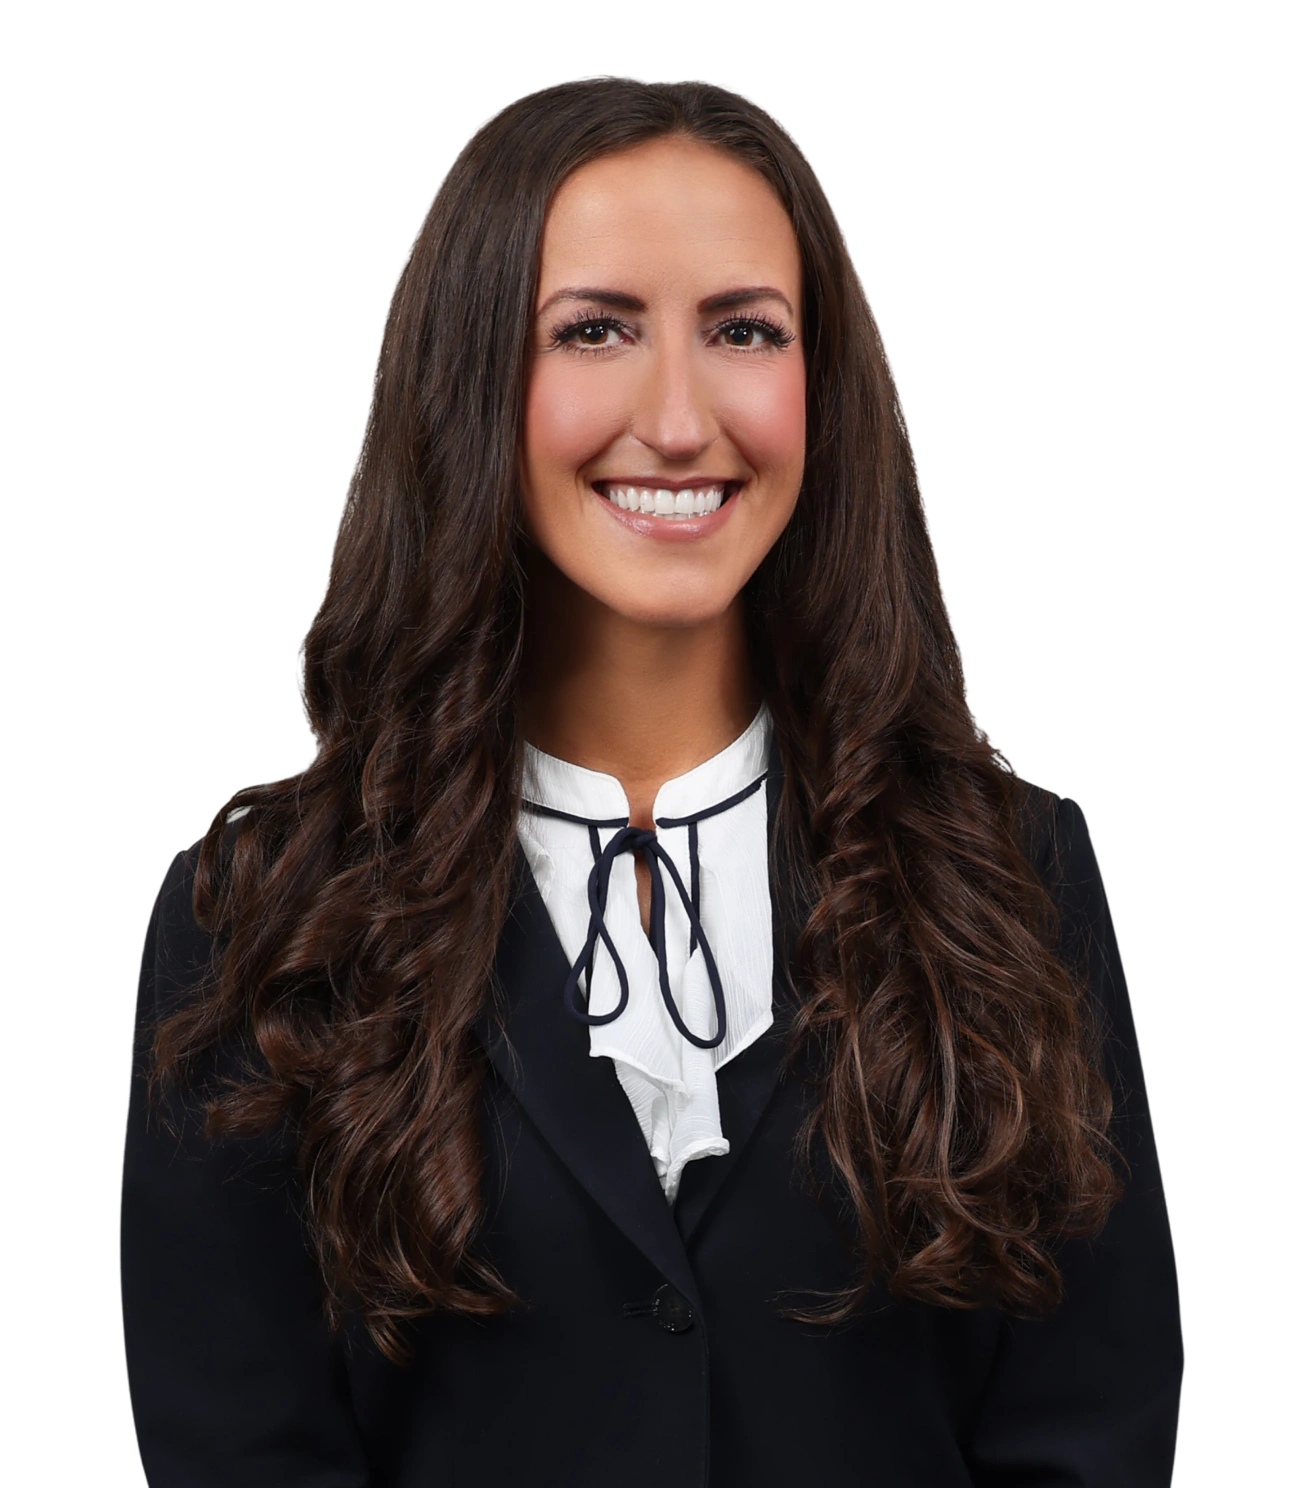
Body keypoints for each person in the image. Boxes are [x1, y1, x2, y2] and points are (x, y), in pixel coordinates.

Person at [121, 75, 1184, 1486]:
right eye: (595, 330)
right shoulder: (260, 913)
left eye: (744, 330)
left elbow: (1091, 1435)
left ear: (822, 384)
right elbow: (240, 1451)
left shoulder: (1019, 874)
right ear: (473, 376)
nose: (679, 421)